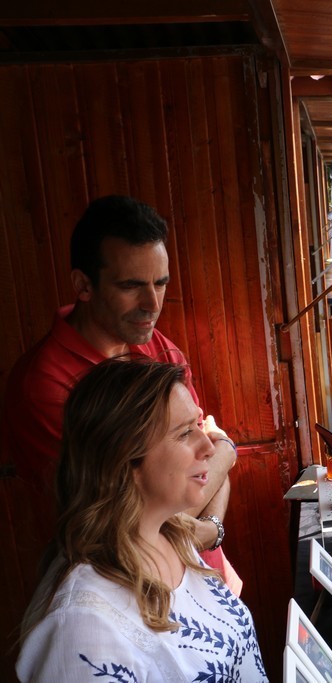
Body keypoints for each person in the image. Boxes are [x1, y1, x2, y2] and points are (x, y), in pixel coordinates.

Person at [2, 195, 238, 597]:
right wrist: (225, 458)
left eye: (160, 283)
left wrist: (209, 528)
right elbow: (122, 523)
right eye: (131, 286)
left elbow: (201, 465)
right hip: (130, 595)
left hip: (206, 576)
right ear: (83, 285)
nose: (152, 304)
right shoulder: (43, 385)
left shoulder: (155, 346)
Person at [16, 359, 266, 681]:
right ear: (126, 459)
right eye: (184, 433)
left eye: (198, 425)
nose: (207, 447)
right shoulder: (82, 630)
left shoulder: (170, 536)